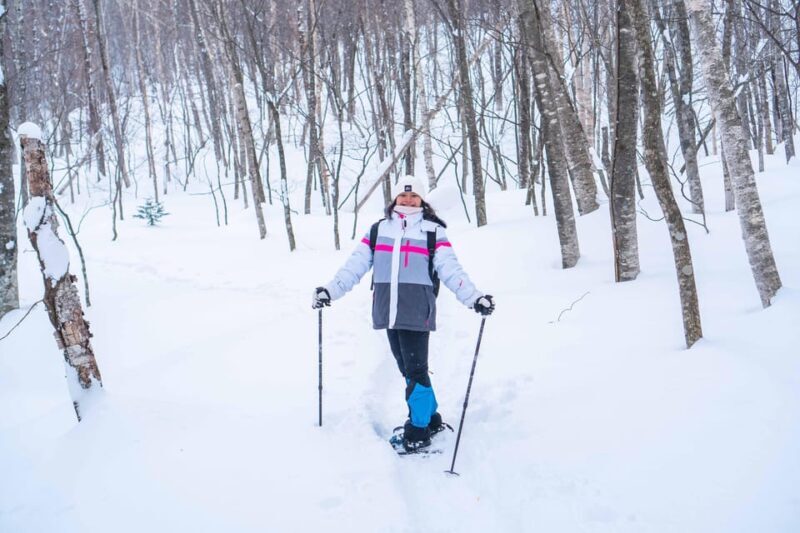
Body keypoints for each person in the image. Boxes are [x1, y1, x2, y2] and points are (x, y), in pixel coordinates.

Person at [312, 175, 495, 452]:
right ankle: (431, 418)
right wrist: (330, 291)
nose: (408, 200)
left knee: (416, 371)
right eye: (403, 196)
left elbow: (450, 269)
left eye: (414, 196)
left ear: (422, 200)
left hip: (416, 310)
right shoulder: (379, 230)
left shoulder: (433, 231)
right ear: (395, 198)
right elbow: (355, 265)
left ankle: (418, 431)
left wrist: (475, 298)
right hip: (388, 310)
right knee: (408, 369)